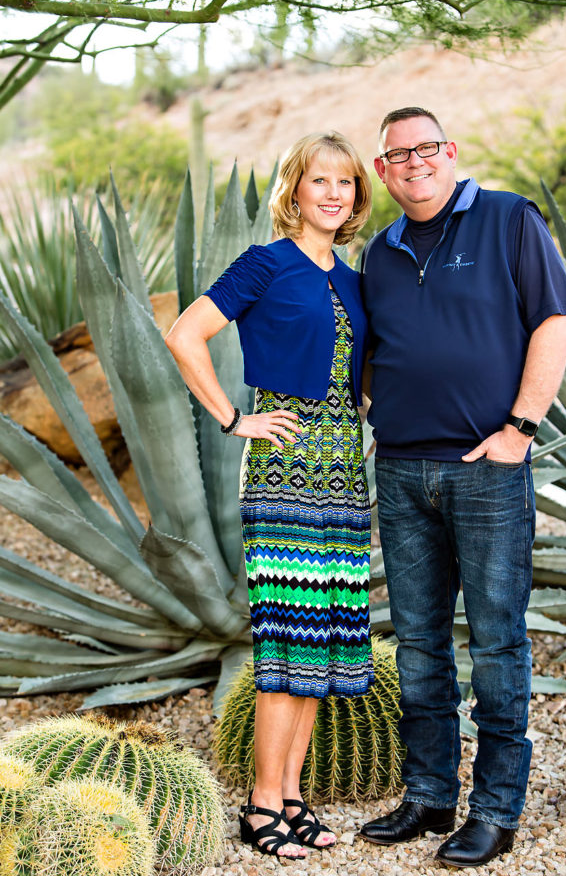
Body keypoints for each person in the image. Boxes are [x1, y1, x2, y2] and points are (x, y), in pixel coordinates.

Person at [359, 107, 566, 868]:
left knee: (495, 642)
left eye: (425, 148)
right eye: (397, 154)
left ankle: (494, 810)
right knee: (418, 645)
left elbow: (555, 320)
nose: (413, 162)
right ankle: (426, 797)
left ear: (448, 152)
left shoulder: (506, 219)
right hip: (399, 469)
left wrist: (520, 428)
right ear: (383, 170)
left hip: (486, 470)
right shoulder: (378, 254)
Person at [165, 131, 374, 859]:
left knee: (318, 646)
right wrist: (233, 417)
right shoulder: (264, 264)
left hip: (345, 474)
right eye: (319, 180)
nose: (332, 193)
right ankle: (260, 807)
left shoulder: (351, 277)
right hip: (284, 471)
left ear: (355, 196)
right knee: (286, 642)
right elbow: (185, 334)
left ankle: (291, 795)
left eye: (344, 183)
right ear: (294, 190)